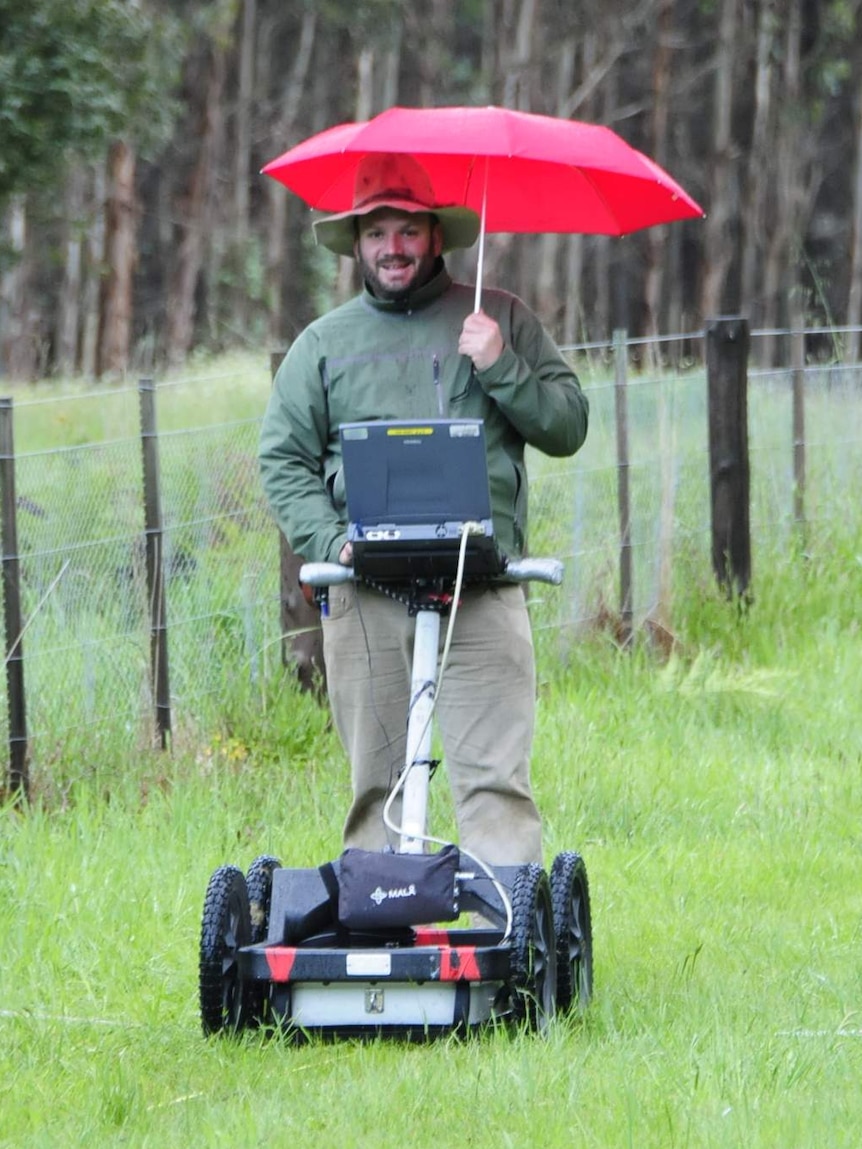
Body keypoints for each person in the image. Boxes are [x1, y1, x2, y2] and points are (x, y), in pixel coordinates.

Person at [259, 153, 588, 866]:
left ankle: (507, 949)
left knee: (495, 784)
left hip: (483, 583)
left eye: (408, 229)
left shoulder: (499, 318)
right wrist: (329, 539)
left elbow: (568, 425)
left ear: (437, 236)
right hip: (365, 591)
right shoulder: (323, 345)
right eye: (378, 231)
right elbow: (281, 459)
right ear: (357, 244)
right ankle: (381, 947)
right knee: (376, 789)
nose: (394, 247)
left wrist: (501, 364)